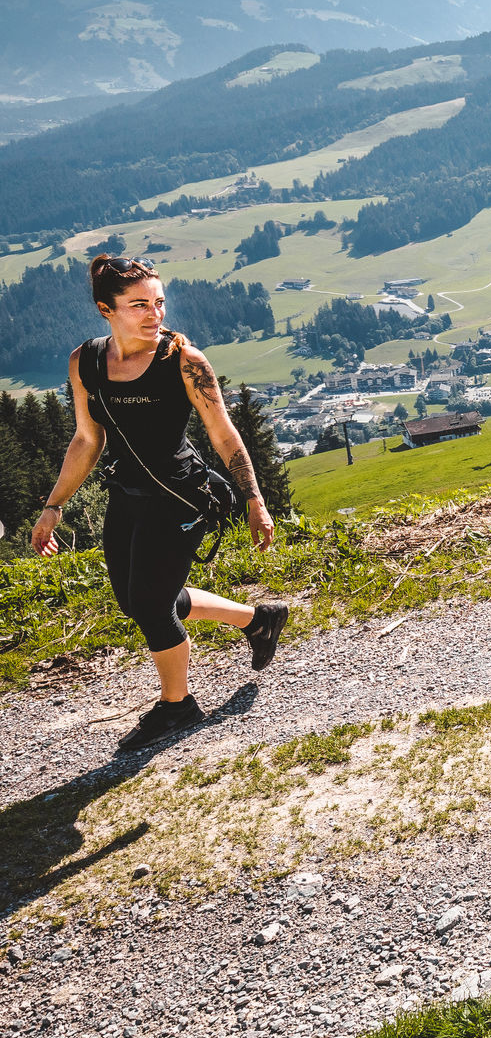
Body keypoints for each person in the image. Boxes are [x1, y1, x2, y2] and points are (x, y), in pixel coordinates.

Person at [31, 256, 288, 751]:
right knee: (138, 601)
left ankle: (178, 705)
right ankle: (259, 620)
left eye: (159, 302)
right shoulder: (85, 362)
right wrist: (54, 505)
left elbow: (224, 434)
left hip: (181, 496)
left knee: (151, 604)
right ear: (106, 310)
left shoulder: (184, 362)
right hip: (126, 495)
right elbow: (87, 439)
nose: (155, 315)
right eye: (139, 305)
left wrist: (255, 500)